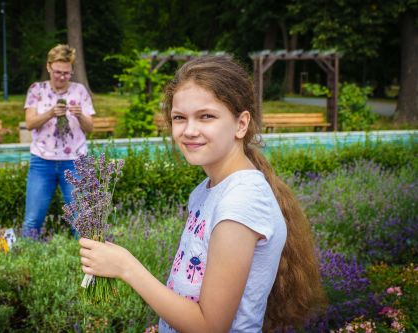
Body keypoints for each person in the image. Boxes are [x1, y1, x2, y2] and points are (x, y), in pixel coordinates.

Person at [78, 56, 324, 332]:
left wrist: (126, 267)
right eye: (179, 118)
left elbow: (210, 326)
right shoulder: (207, 191)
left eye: (206, 116)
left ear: (241, 124)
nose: (189, 130)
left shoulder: (240, 202)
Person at [22, 44, 95, 237]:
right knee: (33, 219)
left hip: (75, 162)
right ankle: (25, 259)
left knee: (81, 219)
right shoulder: (36, 90)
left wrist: (80, 115)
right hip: (41, 161)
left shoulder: (79, 91)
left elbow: (90, 128)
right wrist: (50, 113)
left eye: (67, 73)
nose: (62, 77)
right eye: (57, 72)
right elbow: (29, 124)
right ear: (48, 67)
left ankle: (86, 263)